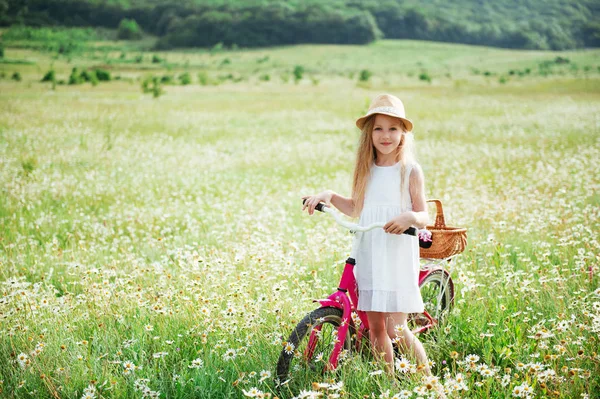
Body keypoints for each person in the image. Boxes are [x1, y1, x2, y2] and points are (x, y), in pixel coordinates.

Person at [302, 94, 437, 380]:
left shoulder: (410, 170)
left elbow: (424, 214)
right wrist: (328, 195)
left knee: (397, 330)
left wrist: (408, 218)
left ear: (402, 134)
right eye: (378, 128)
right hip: (370, 250)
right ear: (369, 134)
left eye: (392, 129)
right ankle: (388, 383)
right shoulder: (365, 170)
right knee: (376, 328)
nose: (385, 135)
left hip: (397, 253)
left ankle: (429, 382)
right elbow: (355, 208)